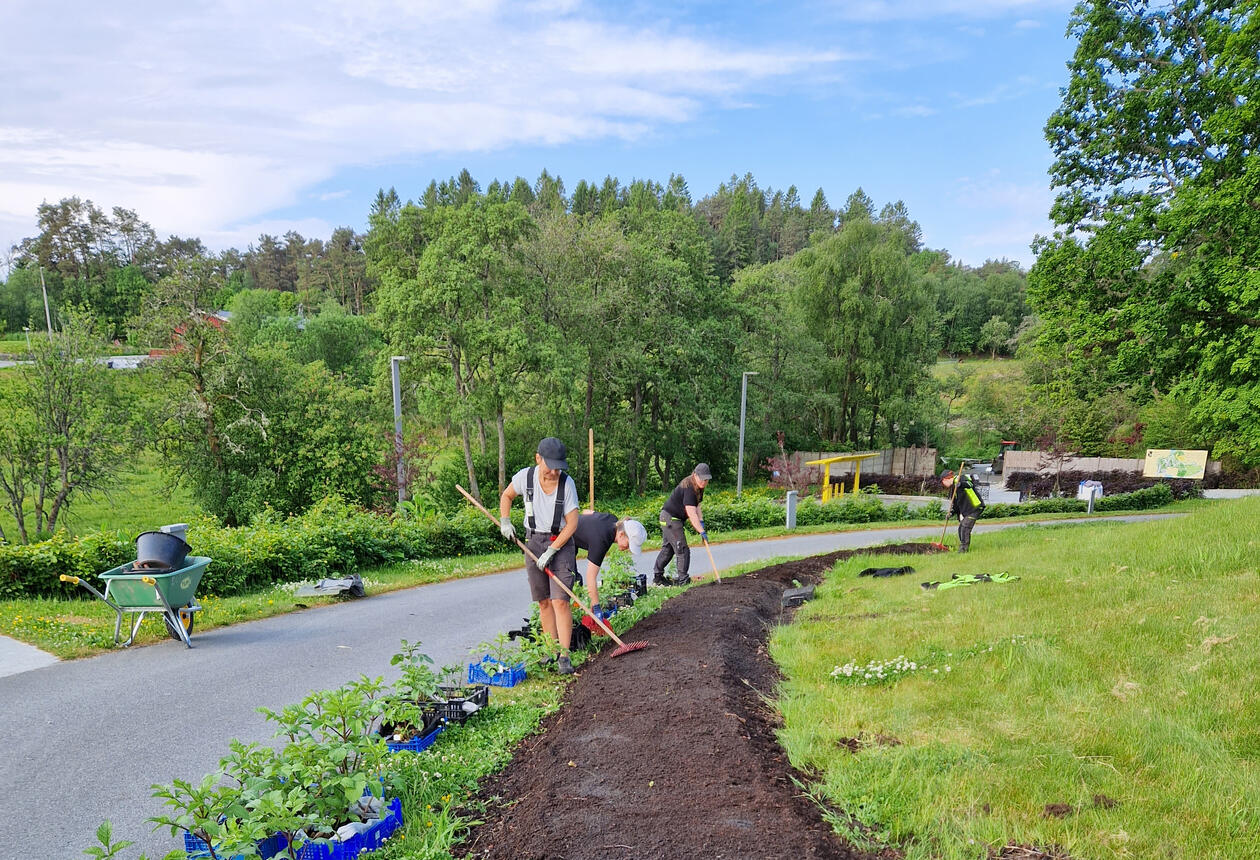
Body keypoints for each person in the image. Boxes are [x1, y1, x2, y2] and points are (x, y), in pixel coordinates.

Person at [499, 437, 580, 674]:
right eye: (550, 466)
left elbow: (572, 524)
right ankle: (550, 651)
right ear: (538, 459)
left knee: (560, 601)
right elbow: (506, 496)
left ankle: (564, 656)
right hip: (533, 542)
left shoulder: (567, 484)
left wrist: (553, 550)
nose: (554, 472)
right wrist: (505, 521)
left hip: (560, 543)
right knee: (544, 601)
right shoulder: (525, 477)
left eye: (558, 467)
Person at [573, 514, 647, 615]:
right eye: (629, 544)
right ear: (621, 534)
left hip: (572, 538)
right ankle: (577, 614)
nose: (629, 549)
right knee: (570, 580)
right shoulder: (601, 540)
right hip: (561, 536)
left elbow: (588, 512)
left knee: (576, 580)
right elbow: (590, 577)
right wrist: (596, 608)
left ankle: (579, 612)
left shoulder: (613, 521)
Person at [652, 463, 711, 586]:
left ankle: (658, 578)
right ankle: (683, 580)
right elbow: (691, 513)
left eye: (706, 480)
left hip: (669, 517)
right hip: (671, 518)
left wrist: (701, 522)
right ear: (695, 475)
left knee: (668, 549)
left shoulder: (699, 487)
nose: (704, 482)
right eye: (702, 479)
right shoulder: (689, 488)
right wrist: (701, 531)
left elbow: (697, 506)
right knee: (682, 549)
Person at [941, 469, 985, 553]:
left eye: (942, 482)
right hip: (967, 510)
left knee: (965, 527)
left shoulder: (960, 478)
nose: (943, 485)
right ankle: (962, 546)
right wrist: (951, 513)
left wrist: (960, 484)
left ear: (945, 479)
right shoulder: (953, 489)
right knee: (961, 528)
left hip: (975, 507)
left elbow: (970, 484)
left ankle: (963, 550)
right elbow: (956, 505)